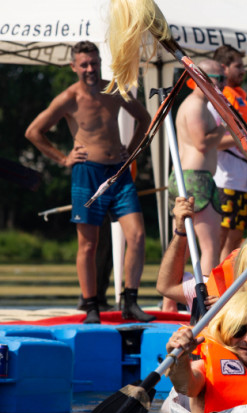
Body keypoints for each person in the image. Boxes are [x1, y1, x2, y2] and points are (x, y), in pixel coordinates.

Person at [25, 41, 154, 324]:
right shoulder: (69, 98)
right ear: (74, 67)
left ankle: (129, 300)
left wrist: (131, 150)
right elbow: (33, 132)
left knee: (137, 236)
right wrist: (62, 158)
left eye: (94, 63)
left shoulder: (114, 89)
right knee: (88, 244)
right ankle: (92, 304)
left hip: (118, 172)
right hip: (87, 172)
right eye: (84, 64)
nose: (90, 69)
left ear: (99, 63)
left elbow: (145, 119)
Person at [171, 58, 231, 279]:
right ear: (200, 79)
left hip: (195, 178)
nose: (224, 84)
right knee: (209, 245)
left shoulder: (198, 105)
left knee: (184, 246)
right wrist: (227, 125)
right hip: (195, 179)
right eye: (219, 79)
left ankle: (170, 302)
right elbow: (202, 143)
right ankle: (205, 304)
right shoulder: (195, 105)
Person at [210, 45, 247, 262]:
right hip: (224, 180)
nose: (243, 71)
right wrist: (246, 134)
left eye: (243, 66)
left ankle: (227, 287)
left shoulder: (243, 98)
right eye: (237, 66)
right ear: (224, 68)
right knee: (219, 238)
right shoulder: (217, 100)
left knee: (235, 240)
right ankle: (210, 289)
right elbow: (213, 142)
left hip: (243, 179)